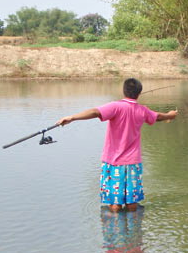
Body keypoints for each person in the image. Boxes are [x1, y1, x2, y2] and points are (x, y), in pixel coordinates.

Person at [57, 78, 177, 212]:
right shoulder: (143, 110)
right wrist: (170, 115)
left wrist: (72, 117)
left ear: (124, 91)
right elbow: (158, 116)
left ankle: (115, 227)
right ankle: (134, 229)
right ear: (138, 93)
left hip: (113, 162)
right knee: (132, 203)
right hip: (133, 163)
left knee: (115, 204)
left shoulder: (115, 106)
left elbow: (95, 112)